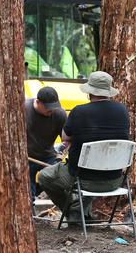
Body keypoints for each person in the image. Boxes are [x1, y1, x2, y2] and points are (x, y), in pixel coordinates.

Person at [38, 71, 129, 221]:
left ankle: (73, 212)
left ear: (90, 92)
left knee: (44, 177)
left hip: (85, 180)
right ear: (108, 92)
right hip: (114, 179)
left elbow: (65, 137)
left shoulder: (79, 111)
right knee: (93, 166)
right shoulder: (123, 111)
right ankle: (79, 211)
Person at [26, 86, 67, 203]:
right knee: (27, 188)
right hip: (26, 157)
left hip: (48, 156)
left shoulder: (59, 114)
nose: (52, 111)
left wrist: (62, 153)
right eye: (49, 109)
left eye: (54, 108)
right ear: (38, 102)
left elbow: (67, 140)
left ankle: (71, 211)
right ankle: (30, 212)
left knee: (60, 181)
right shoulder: (24, 110)